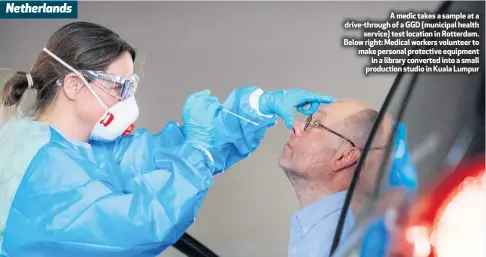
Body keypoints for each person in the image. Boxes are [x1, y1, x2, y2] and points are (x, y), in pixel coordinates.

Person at [0, 21, 334, 257]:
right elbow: (137, 227)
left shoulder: (75, 147)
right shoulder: (38, 168)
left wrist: (257, 106)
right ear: (74, 85)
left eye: (131, 86)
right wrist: (198, 151)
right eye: (119, 87)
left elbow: (161, 154)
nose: (127, 99)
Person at [278, 98, 405, 257]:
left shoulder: (337, 244)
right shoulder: (319, 231)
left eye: (316, 124)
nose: (296, 127)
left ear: (344, 157)